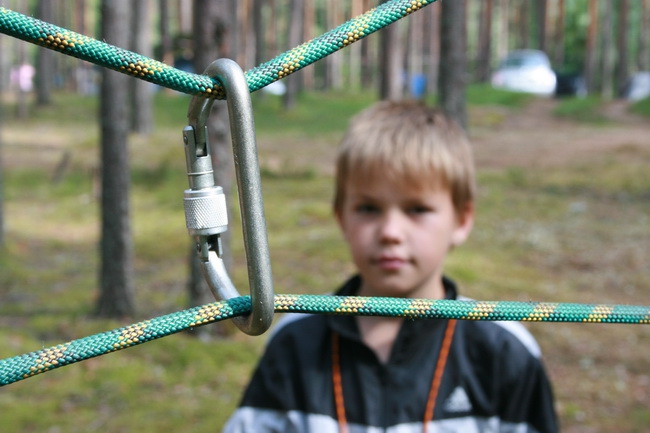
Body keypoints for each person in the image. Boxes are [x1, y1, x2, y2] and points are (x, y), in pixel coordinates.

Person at [223, 100, 558, 433]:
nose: (390, 232)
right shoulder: (296, 341)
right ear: (341, 215)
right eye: (368, 208)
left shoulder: (503, 349)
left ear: (461, 219)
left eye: (417, 209)